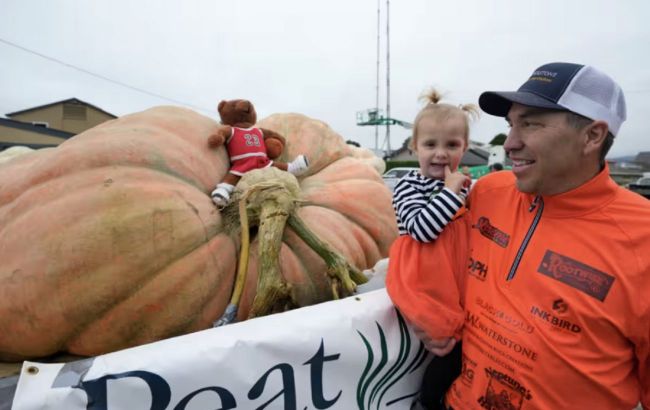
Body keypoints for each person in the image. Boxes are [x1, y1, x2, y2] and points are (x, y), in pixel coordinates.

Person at [431, 62, 649, 409]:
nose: (510, 143)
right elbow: (430, 254)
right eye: (511, 125)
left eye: (530, 123)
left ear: (592, 135)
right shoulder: (486, 192)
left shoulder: (642, 238)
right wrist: (423, 310)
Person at [386, 90, 479, 407]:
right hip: (424, 275)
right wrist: (452, 193)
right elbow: (423, 230)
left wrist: (460, 190)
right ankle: (429, 401)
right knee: (445, 342)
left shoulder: (466, 187)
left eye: (451, 145)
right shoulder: (408, 186)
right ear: (415, 147)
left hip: (454, 274)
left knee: (467, 342)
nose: (441, 153)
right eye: (430, 144)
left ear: (464, 148)